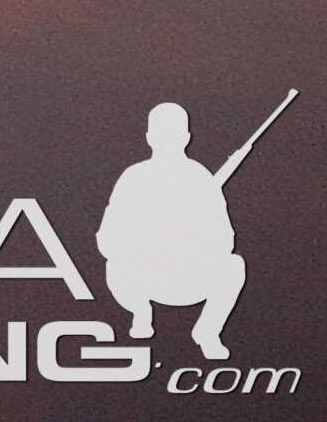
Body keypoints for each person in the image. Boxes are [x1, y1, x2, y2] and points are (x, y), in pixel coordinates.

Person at [103, 102, 247, 361]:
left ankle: (207, 331)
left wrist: (188, 240)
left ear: (186, 138)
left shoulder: (200, 178)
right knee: (115, 264)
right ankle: (140, 312)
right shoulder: (134, 178)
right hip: (141, 278)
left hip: (189, 278)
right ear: (149, 138)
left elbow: (225, 240)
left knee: (234, 266)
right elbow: (107, 239)